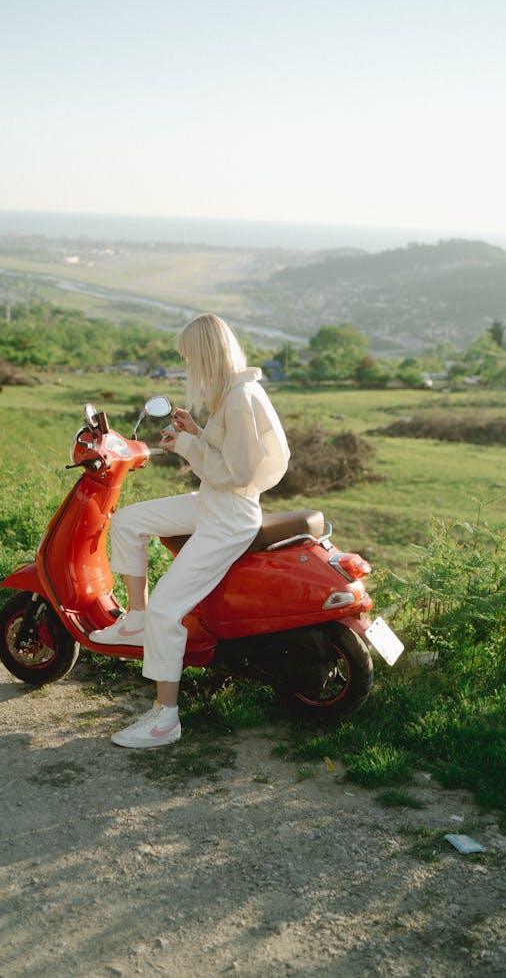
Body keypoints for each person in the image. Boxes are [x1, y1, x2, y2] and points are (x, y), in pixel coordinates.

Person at [91, 313, 290, 749]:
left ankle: (165, 719)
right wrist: (196, 432)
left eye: (189, 359)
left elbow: (235, 473)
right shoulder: (235, 393)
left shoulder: (240, 398)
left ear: (204, 355)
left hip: (230, 514)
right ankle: (136, 619)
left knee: (169, 609)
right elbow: (228, 455)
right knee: (129, 521)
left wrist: (185, 444)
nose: (188, 369)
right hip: (215, 503)